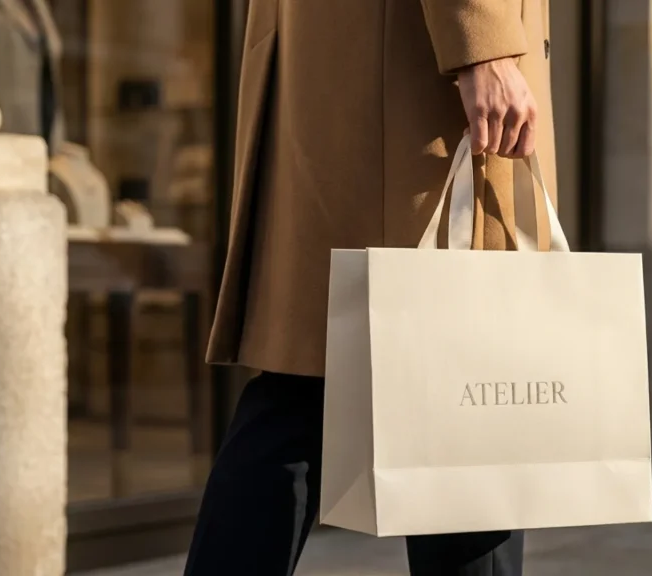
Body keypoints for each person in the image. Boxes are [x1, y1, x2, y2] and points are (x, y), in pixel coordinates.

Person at [185, 1, 556, 574]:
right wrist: (482, 39)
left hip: (365, 74)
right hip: (415, 87)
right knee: (462, 393)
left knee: (315, 385)